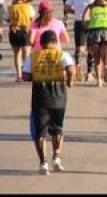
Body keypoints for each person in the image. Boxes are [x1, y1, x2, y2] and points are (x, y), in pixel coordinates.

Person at [22, 30, 75, 175]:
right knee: (58, 128)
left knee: (40, 132)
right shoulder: (62, 55)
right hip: (59, 98)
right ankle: (56, 157)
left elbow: (25, 76)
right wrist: (69, 82)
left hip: (40, 98)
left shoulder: (32, 57)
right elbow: (71, 70)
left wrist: (39, 75)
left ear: (41, 42)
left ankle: (43, 162)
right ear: (55, 41)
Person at [8, 0, 35, 82]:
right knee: (26, 55)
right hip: (25, 31)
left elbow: (7, 19)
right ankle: (26, 73)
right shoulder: (28, 7)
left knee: (16, 54)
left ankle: (18, 76)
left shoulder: (11, 8)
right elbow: (32, 18)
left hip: (14, 31)